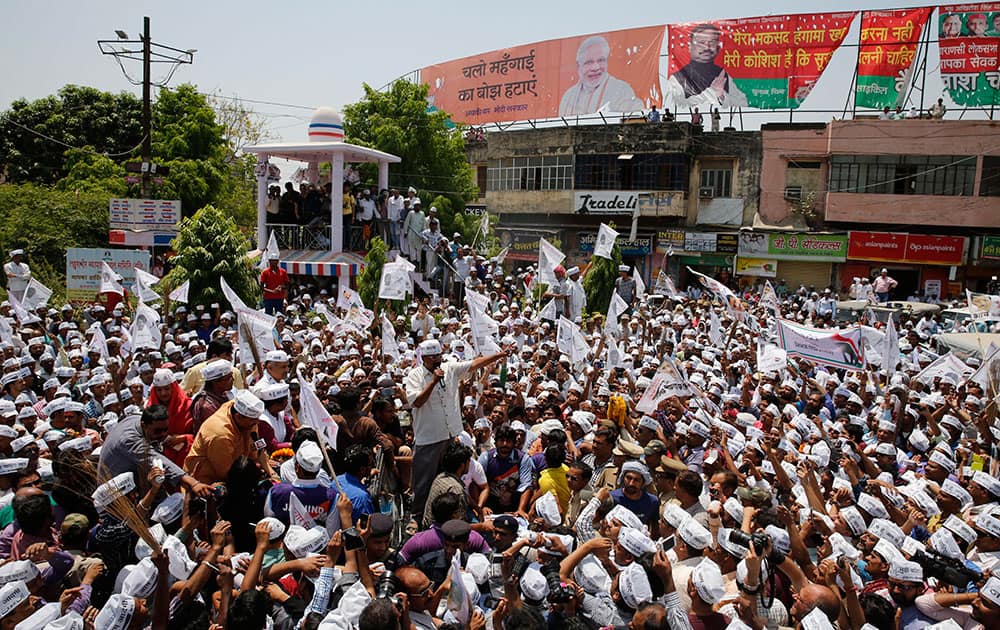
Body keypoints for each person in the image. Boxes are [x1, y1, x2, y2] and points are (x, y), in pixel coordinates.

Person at [404, 339, 506, 520]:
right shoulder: (415, 376)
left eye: (439, 356)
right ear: (424, 358)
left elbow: (474, 364)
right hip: (429, 438)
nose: (437, 360)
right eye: (432, 357)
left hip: (450, 435)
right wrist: (434, 381)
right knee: (424, 483)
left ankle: (447, 514)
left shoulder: (449, 368)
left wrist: (498, 355)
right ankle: (417, 517)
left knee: (450, 479)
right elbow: (417, 402)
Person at [184, 389, 266, 485]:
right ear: (239, 417)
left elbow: (256, 450)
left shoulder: (245, 415)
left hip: (240, 472)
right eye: (253, 421)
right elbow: (227, 473)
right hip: (207, 483)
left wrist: (270, 472)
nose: (257, 423)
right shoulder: (220, 435)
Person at [666, 24, 748, 110]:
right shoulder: (678, 77)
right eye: (701, 43)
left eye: (712, 43)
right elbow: (679, 104)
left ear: (718, 47)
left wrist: (721, 96)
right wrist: (712, 92)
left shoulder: (722, 75)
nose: (707, 47)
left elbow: (742, 101)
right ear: (690, 47)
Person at [558, 35, 645, 116]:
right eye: (589, 62)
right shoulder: (568, 97)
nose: (595, 67)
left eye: (601, 60)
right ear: (578, 66)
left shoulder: (622, 90)